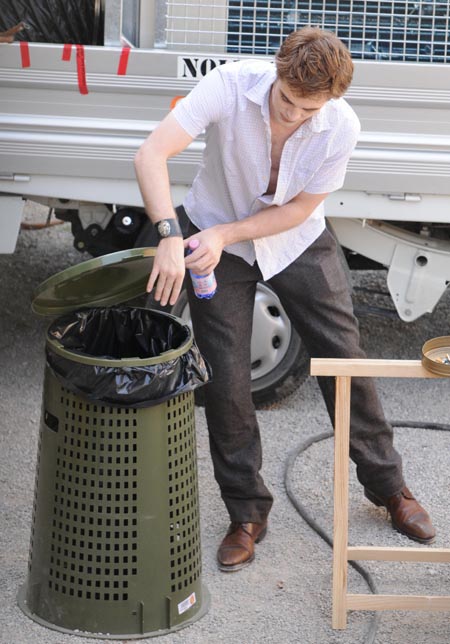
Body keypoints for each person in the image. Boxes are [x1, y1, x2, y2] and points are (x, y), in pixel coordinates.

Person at [134, 27, 435, 572]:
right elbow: (151, 153)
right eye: (286, 101)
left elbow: (297, 210)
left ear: (331, 100)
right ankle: (246, 513)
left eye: (308, 109)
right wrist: (170, 234)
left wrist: (228, 234)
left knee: (346, 360)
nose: (293, 115)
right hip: (211, 232)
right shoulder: (229, 84)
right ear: (276, 73)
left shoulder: (341, 125)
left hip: (294, 239)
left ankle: (390, 488)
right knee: (225, 379)